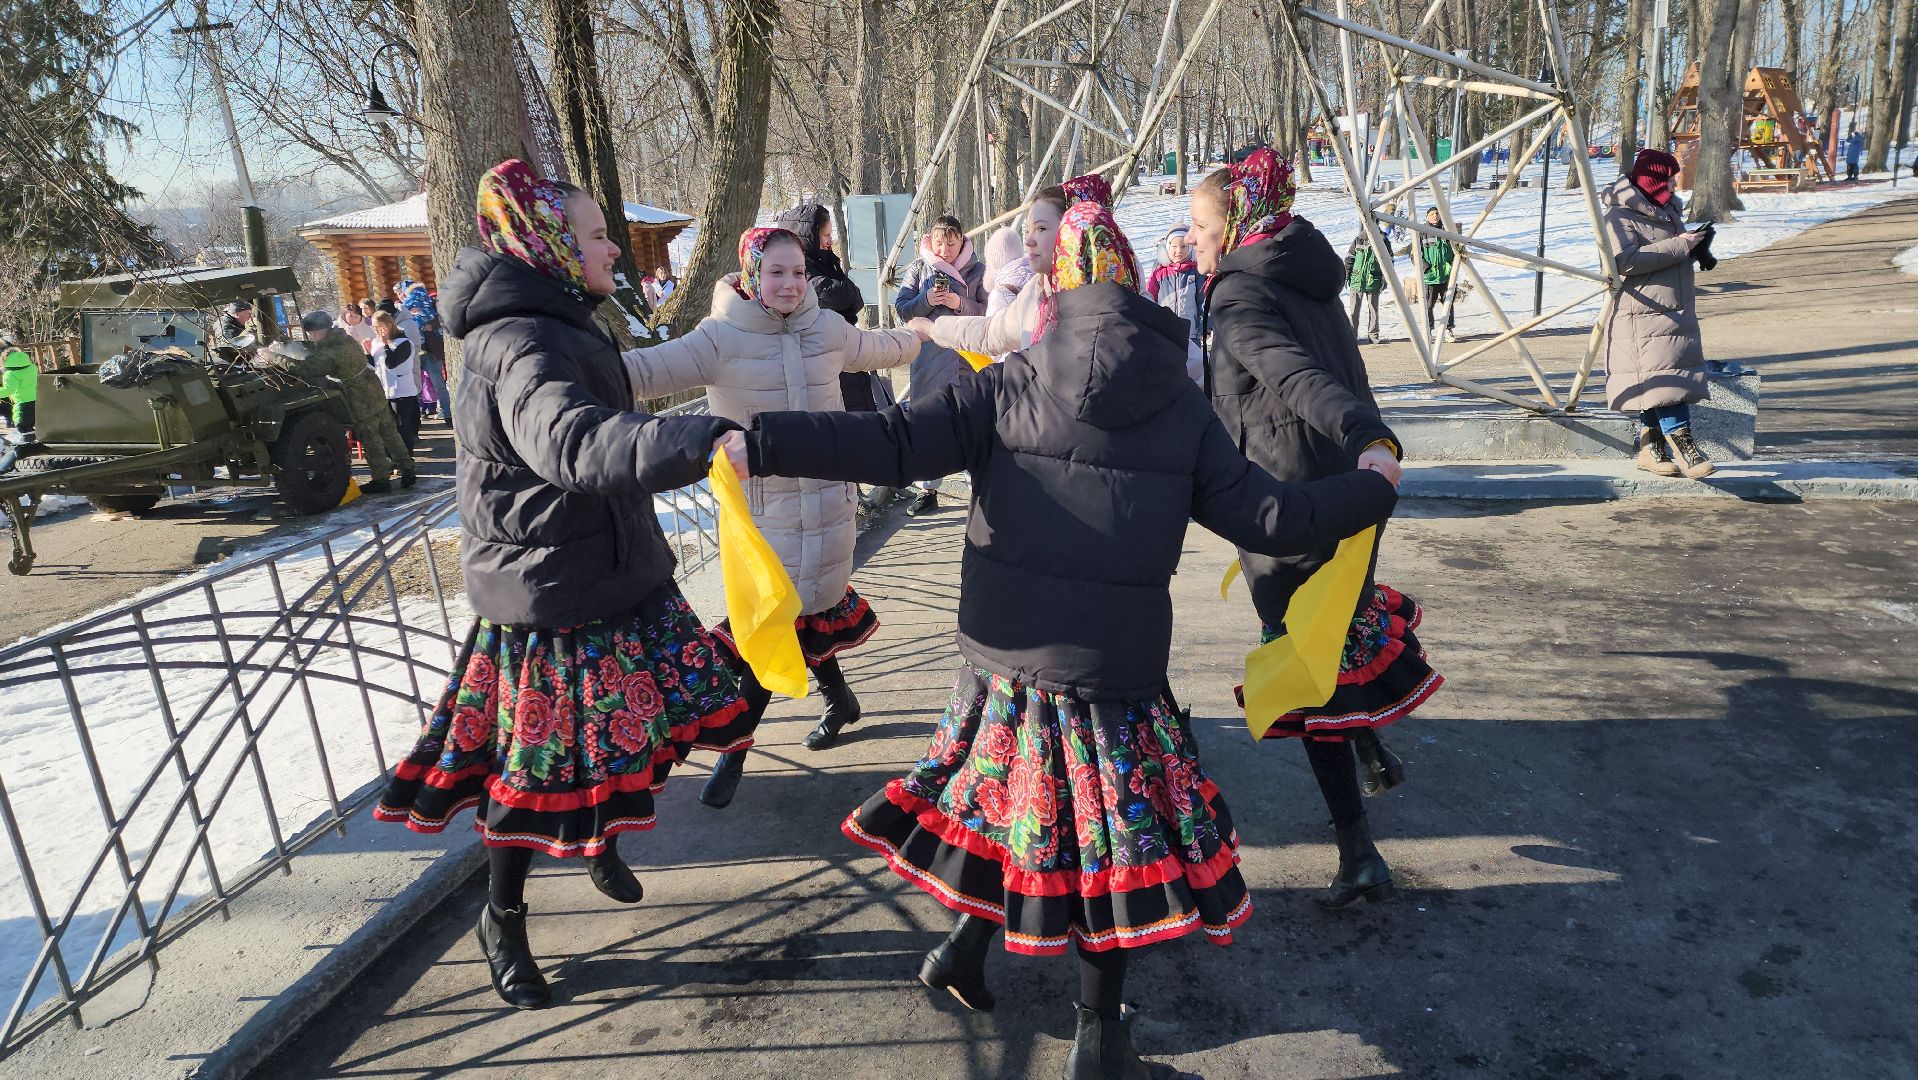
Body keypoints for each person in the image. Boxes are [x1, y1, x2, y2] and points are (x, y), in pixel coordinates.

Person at [721, 199, 1399, 1078]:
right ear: (1130, 285)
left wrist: (761, 441)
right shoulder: (1182, 408)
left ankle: (967, 956)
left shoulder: (1004, 385)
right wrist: (1371, 483)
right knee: (1100, 853)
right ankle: (1095, 1028)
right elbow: (1271, 515)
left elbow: (887, 443)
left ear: (1057, 291)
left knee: (1021, 808)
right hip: (1112, 675)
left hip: (1005, 662)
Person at [372, 158, 753, 1011]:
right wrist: (692, 442)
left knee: (669, 717)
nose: (611, 245)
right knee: (533, 773)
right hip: (547, 595)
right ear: (547, 244)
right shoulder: (522, 342)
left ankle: (598, 836)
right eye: (591, 233)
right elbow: (576, 445)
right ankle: (502, 917)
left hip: (612, 572)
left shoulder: (562, 318)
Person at [1190, 149, 1442, 910]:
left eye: (1201, 225)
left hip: (1289, 504)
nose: (1193, 240)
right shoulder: (1302, 265)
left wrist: (1371, 434)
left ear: (1235, 221)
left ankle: (1357, 850)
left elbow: (1298, 377)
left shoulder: (1238, 291)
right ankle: (1369, 749)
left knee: (1307, 671)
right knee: (1336, 639)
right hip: (1345, 492)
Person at [619, 227, 923, 803]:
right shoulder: (719, 338)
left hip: (831, 507)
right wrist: (572, 368)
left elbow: (884, 346)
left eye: (798, 273)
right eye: (776, 272)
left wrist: (923, 333)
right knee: (770, 629)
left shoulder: (827, 328)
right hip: (761, 522)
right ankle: (738, 756)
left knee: (804, 616)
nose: (789, 285)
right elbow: (644, 371)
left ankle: (837, 703)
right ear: (752, 273)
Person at [1603, 147, 1717, 479]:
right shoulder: (1618, 215)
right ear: (1647, 179)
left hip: (1674, 308)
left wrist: (1697, 247)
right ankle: (1686, 450)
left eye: (1671, 179)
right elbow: (1625, 261)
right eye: (1663, 179)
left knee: (1657, 382)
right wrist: (1681, 244)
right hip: (1643, 312)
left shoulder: (1666, 209)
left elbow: (1666, 253)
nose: (1669, 185)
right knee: (1667, 381)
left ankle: (1649, 450)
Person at [893, 212, 986, 515]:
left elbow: (989, 312)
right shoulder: (919, 268)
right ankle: (928, 488)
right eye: (939, 243)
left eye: (951, 243)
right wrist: (928, 300)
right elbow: (903, 309)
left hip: (966, 359)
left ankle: (980, 489)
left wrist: (959, 304)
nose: (944, 250)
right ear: (930, 242)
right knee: (929, 424)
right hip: (928, 359)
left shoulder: (977, 270)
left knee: (971, 423)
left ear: (962, 241)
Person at [276, 312, 416, 492]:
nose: (311, 337)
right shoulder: (344, 338)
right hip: (373, 387)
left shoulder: (331, 352)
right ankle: (407, 468)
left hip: (358, 396)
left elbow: (306, 368)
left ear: (319, 331)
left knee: (370, 437)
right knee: (389, 431)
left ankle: (381, 480)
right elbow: (318, 349)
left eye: (312, 333)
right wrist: (291, 345)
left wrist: (276, 358)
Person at [773, 202, 879, 410]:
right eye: (825, 235)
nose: (831, 241)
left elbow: (855, 299)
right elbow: (838, 295)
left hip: (842, 351)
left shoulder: (824, 262)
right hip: (821, 361)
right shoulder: (801, 270)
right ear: (808, 237)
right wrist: (848, 295)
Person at [1145, 223, 1205, 382]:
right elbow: (1149, 298)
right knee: (1169, 366)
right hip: (1166, 330)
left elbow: (1203, 300)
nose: (1178, 251)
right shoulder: (1159, 273)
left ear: (1190, 248)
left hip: (1191, 332)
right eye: (1174, 246)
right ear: (1167, 247)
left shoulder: (1196, 272)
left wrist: (1207, 323)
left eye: (1183, 246)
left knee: (1194, 370)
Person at [368, 311, 422, 451]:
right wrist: (368, 353)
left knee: (402, 427)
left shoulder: (404, 343)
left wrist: (386, 344)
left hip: (402, 392)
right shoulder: (376, 342)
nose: (374, 330)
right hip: (384, 391)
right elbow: (377, 364)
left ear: (389, 326)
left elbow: (392, 363)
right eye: (373, 327)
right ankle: (392, 458)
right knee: (387, 428)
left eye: (377, 326)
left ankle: (407, 458)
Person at [1343, 230, 1390, 344]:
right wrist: (1346, 275)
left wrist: (1385, 279)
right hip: (1357, 280)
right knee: (1354, 310)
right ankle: (1352, 336)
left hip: (1374, 280)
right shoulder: (1358, 239)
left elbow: (1389, 261)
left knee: (1373, 309)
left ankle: (1373, 335)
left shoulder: (1383, 241)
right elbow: (1350, 258)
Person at [1418, 208, 1457, 340]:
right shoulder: (1422, 232)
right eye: (1432, 214)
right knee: (1428, 305)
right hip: (1430, 277)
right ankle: (1428, 330)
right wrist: (1425, 268)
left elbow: (1456, 250)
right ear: (1427, 217)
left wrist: (1452, 264)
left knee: (1448, 303)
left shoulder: (1447, 231)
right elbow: (1415, 255)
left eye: (1437, 214)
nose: (1435, 216)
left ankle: (1448, 330)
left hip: (1446, 276)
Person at [1, 333, 35, 439]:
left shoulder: (10, 374)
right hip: (35, 398)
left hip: (21, 401)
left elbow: (8, 389)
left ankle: (26, 440)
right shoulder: (32, 367)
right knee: (29, 422)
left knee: (22, 424)